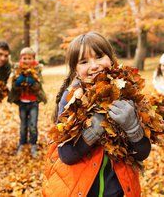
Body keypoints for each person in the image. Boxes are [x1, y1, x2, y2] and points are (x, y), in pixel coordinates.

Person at [42, 32, 151, 197]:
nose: (94, 66)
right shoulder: (71, 98)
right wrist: (92, 131)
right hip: (81, 189)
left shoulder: (128, 92)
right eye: (84, 62)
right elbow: (66, 155)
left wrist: (133, 127)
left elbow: (142, 153)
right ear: (76, 71)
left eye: (99, 57)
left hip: (118, 190)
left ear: (111, 59)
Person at [8, 47, 47, 157]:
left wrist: (32, 82)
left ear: (33, 59)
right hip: (22, 103)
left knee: (33, 125)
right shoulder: (17, 70)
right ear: (21, 59)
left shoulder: (37, 70)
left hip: (33, 102)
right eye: (24, 58)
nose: (27, 60)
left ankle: (33, 144)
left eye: (29, 58)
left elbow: (39, 86)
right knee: (23, 125)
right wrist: (19, 81)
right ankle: (22, 143)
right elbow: (14, 86)